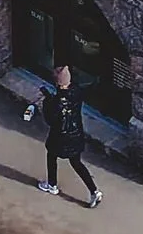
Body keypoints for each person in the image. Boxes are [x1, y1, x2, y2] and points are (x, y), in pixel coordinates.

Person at [23, 65, 102, 205]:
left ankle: (52, 184)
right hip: (76, 134)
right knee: (76, 162)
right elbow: (64, 99)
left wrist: (47, 100)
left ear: (57, 83)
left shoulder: (54, 103)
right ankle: (94, 191)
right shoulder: (77, 91)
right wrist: (50, 96)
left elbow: (50, 120)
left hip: (59, 137)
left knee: (51, 156)